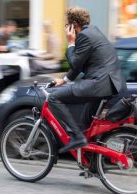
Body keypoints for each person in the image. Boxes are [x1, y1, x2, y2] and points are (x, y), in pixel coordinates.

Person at [49, 7, 127, 153]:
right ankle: (92, 160)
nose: (66, 28)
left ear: (74, 25)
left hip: (100, 83)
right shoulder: (93, 31)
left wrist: (70, 42)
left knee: (54, 98)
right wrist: (65, 80)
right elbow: (79, 64)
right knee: (87, 123)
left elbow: (74, 62)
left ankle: (77, 137)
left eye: (67, 25)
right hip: (109, 83)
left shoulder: (84, 36)